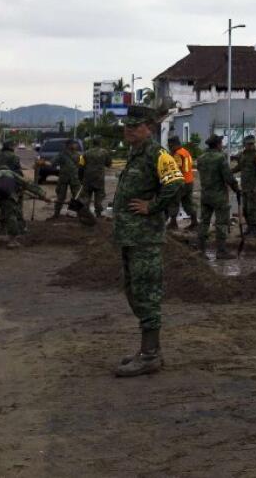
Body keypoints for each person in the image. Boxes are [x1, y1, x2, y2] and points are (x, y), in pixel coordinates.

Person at [112, 105, 183, 378]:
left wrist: (152, 206)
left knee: (147, 293)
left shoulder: (158, 154)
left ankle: (151, 355)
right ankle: (148, 350)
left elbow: (175, 183)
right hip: (131, 237)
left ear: (149, 128)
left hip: (145, 237)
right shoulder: (135, 154)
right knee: (134, 291)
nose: (128, 130)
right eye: (127, 126)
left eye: (134, 126)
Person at [0, 169, 48, 249]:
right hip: (6, 194)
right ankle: (12, 242)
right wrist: (42, 195)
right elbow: (27, 184)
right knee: (11, 216)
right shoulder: (12, 173)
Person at [196, 134, 240, 259]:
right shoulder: (220, 158)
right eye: (221, 142)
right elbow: (228, 177)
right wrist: (236, 188)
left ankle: (200, 250)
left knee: (204, 222)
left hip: (205, 195)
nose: (222, 145)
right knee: (221, 223)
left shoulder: (201, 158)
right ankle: (221, 251)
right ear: (217, 144)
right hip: (219, 196)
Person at [234, 135, 256, 237]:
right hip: (244, 187)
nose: (251, 146)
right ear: (245, 145)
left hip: (253, 187)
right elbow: (240, 167)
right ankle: (249, 228)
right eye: (249, 144)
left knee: (252, 209)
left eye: (252, 144)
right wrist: (230, 171)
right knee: (245, 210)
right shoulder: (242, 155)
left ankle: (254, 231)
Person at [166, 135, 198, 230]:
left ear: (173, 145)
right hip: (189, 181)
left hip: (181, 182)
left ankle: (173, 223)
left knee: (173, 201)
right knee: (188, 202)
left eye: (170, 146)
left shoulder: (177, 154)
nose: (169, 147)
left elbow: (177, 167)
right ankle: (194, 222)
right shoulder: (185, 152)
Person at [78, 137, 113, 220]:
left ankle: (85, 213)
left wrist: (80, 178)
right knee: (99, 196)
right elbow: (109, 164)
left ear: (92, 143)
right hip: (99, 179)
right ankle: (98, 214)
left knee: (86, 197)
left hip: (87, 178)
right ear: (100, 143)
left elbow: (80, 166)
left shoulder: (85, 153)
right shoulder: (104, 152)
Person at [52, 140, 83, 219]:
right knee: (61, 197)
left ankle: (77, 214)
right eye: (74, 144)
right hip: (65, 179)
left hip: (72, 179)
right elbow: (53, 162)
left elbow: (82, 166)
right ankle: (56, 214)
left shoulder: (78, 155)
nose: (76, 146)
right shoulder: (62, 154)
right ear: (69, 145)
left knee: (77, 196)